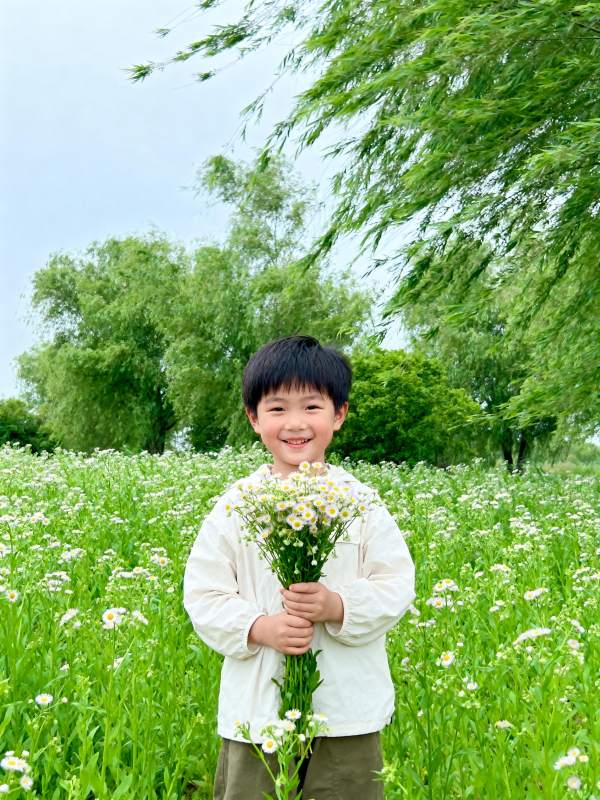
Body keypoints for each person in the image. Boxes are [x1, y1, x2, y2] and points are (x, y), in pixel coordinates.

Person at [183, 334, 416, 799]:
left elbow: (396, 585)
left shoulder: (360, 502)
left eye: (312, 407)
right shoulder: (237, 504)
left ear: (339, 415)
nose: (295, 423)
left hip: (344, 711)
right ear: (253, 418)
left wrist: (337, 605)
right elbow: (203, 594)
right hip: (260, 712)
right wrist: (258, 627)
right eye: (276, 408)